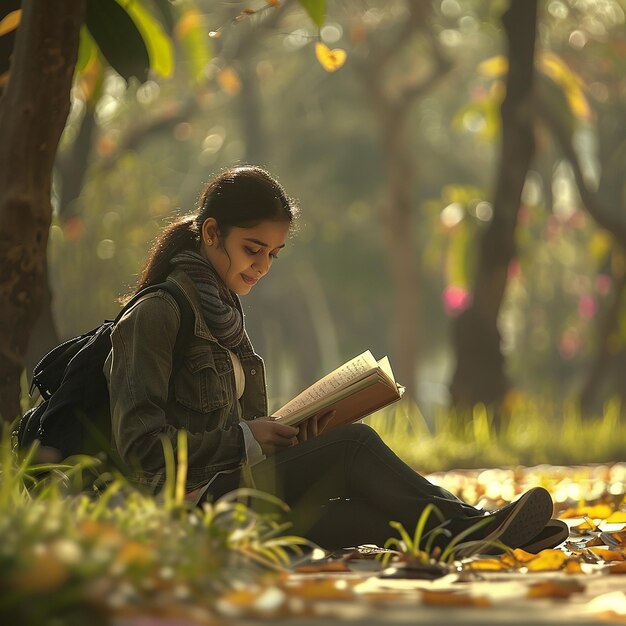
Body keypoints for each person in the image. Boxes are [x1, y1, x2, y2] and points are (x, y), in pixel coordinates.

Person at [105, 164, 562, 556]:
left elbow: (240, 437)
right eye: (252, 249)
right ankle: (479, 526)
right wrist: (247, 438)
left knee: (370, 517)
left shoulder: (223, 316)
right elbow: (142, 451)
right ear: (211, 233)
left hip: (233, 498)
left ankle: (469, 536)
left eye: (273, 255)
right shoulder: (158, 313)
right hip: (186, 514)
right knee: (353, 445)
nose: (262, 266)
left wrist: (290, 436)